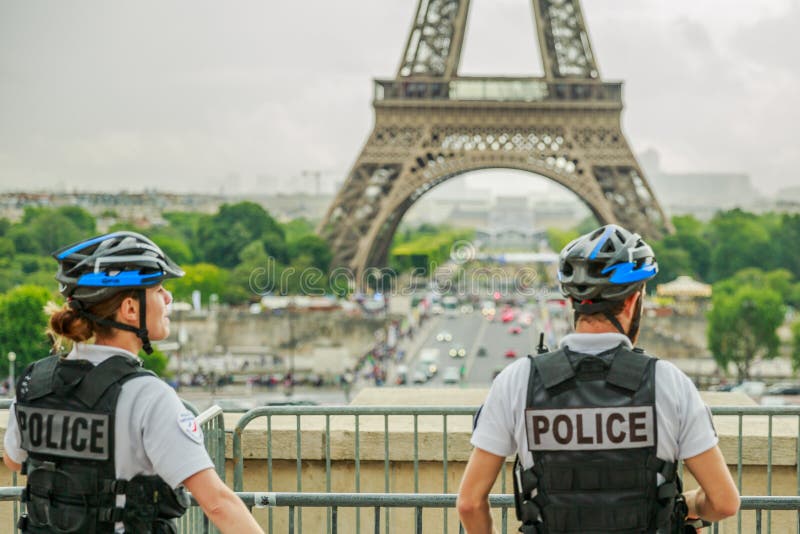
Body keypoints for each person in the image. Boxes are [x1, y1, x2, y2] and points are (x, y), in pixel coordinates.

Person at [457, 224, 740, 533]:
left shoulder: (518, 380)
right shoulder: (668, 382)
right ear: (633, 301)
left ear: (573, 302)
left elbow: (470, 503)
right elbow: (724, 502)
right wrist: (688, 507)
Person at [3, 231, 263, 534]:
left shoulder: (35, 380)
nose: (168, 298)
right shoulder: (148, 396)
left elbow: (13, 459)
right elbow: (218, 503)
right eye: (159, 289)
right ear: (130, 309)